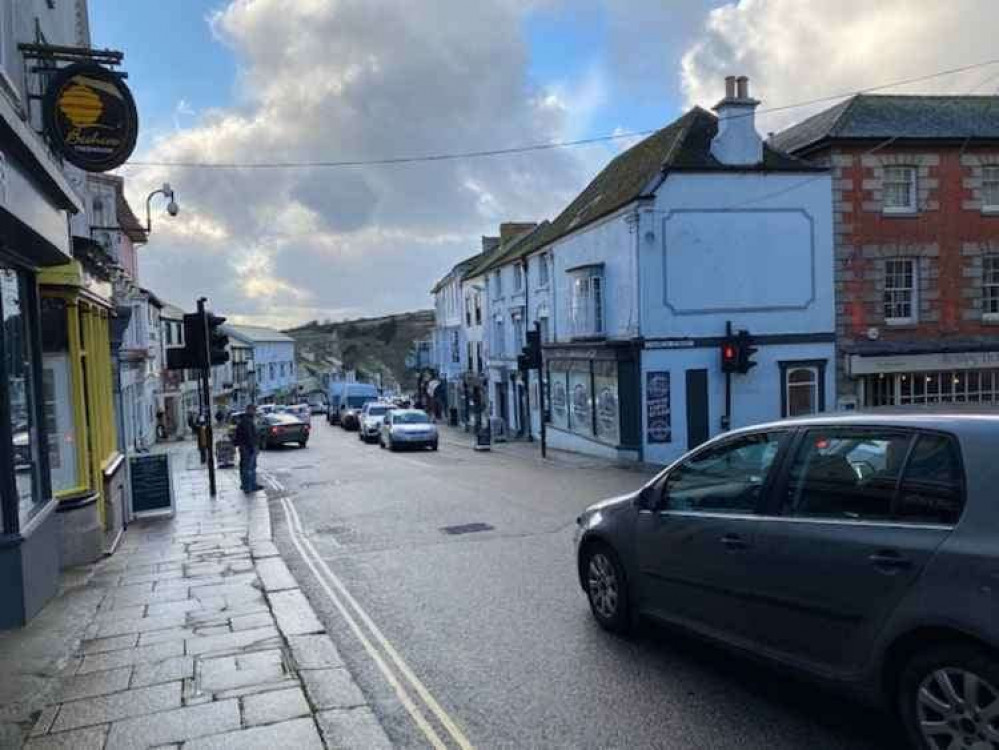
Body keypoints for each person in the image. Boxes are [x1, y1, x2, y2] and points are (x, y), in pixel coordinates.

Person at [233, 404, 261, 493]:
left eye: (255, 410)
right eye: (253, 410)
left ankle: (250, 484)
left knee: (249, 467)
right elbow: (249, 436)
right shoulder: (247, 421)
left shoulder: (246, 420)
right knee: (248, 467)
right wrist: (253, 447)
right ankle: (248, 486)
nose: (255, 412)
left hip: (246, 447)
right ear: (249, 410)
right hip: (247, 447)